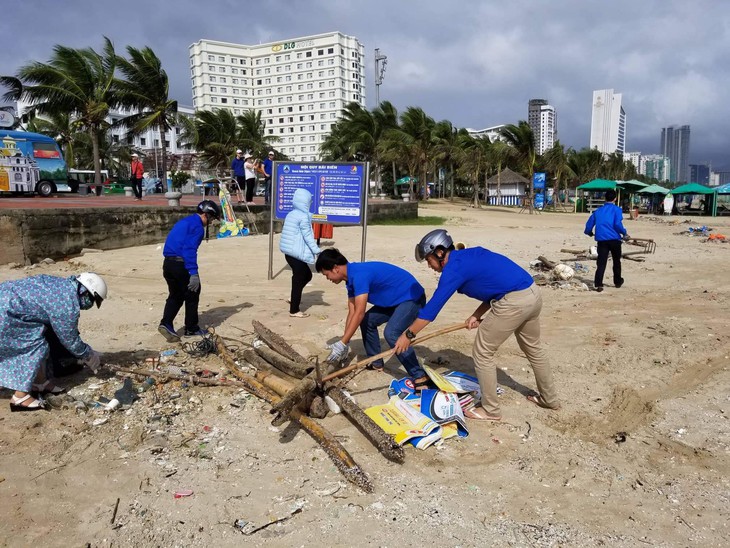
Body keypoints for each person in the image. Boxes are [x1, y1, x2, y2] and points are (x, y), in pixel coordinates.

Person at [393, 229, 559, 420]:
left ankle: (490, 410)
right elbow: (496, 286)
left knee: (482, 353)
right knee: (534, 349)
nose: (429, 265)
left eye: (428, 259)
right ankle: (549, 399)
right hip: (531, 293)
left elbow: (432, 309)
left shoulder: (453, 269)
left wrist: (408, 335)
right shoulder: (469, 255)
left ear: (439, 253)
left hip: (513, 302)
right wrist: (477, 314)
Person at [315, 248, 429, 388]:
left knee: (391, 333)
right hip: (394, 301)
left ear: (335, 268)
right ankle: (376, 362)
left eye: (327, 275)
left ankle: (420, 376)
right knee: (367, 320)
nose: (328, 279)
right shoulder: (349, 280)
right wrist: (345, 342)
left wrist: (342, 343)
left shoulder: (359, 276)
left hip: (412, 298)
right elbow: (353, 312)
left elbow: (360, 312)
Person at [0, 272, 106, 411]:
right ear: (85, 291)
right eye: (92, 300)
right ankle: (21, 398)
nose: (90, 305)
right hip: (6, 313)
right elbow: (69, 339)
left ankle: (40, 383)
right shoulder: (67, 303)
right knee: (33, 347)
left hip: (6, 300)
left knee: (40, 337)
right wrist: (87, 354)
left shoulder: (61, 285)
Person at [158, 200, 221, 342]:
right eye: (211, 218)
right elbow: (189, 251)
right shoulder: (197, 227)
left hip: (168, 264)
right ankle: (191, 328)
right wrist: (193, 273)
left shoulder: (185, 221)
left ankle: (166, 323)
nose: (210, 222)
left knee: (176, 295)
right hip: (181, 265)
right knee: (193, 292)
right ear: (205, 215)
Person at [280, 188, 321, 318]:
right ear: (305, 202)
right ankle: (294, 310)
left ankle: (293, 298)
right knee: (299, 278)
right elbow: (308, 236)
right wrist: (316, 250)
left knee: (306, 275)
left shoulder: (291, 214)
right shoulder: (303, 217)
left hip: (289, 252)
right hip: (296, 253)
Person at [584, 189, 629, 292]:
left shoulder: (598, 211)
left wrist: (589, 232)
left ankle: (598, 284)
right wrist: (624, 233)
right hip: (615, 239)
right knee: (616, 261)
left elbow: (589, 224)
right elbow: (617, 224)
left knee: (601, 262)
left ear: (605, 198)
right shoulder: (617, 210)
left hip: (602, 240)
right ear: (615, 198)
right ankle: (617, 281)